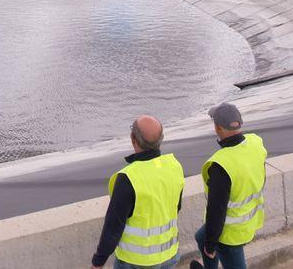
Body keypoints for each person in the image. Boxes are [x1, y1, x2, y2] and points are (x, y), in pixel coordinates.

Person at [92, 115, 184, 269]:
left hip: (136, 262)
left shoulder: (128, 178)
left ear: (133, 138)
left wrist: (98, 261)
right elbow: (176, 207)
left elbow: (113, 226)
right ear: (161, 139)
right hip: (169, 254)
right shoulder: (174, 166)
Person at [192, 103, 267, 269]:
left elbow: (216, 210)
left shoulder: (221, 165)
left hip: (230, 232)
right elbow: (262, 177)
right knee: (200, 237)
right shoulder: (255, 143)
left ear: (218, 128)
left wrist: (211, 245)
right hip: (250, 218)